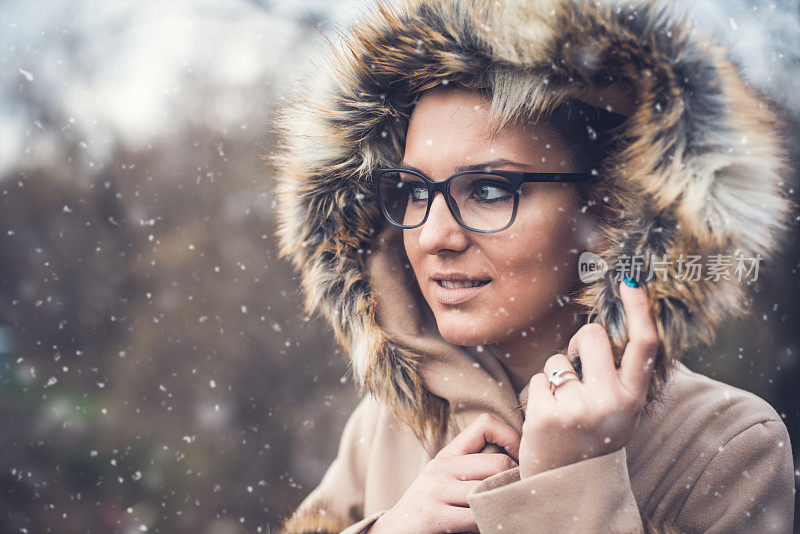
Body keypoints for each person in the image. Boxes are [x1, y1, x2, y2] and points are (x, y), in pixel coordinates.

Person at [271, 0, 795, 532]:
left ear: (611, 209)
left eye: (490, 189)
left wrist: (573, 486)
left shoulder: (725, 445)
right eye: (412, 191)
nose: (433, 236)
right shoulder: (388, 425)